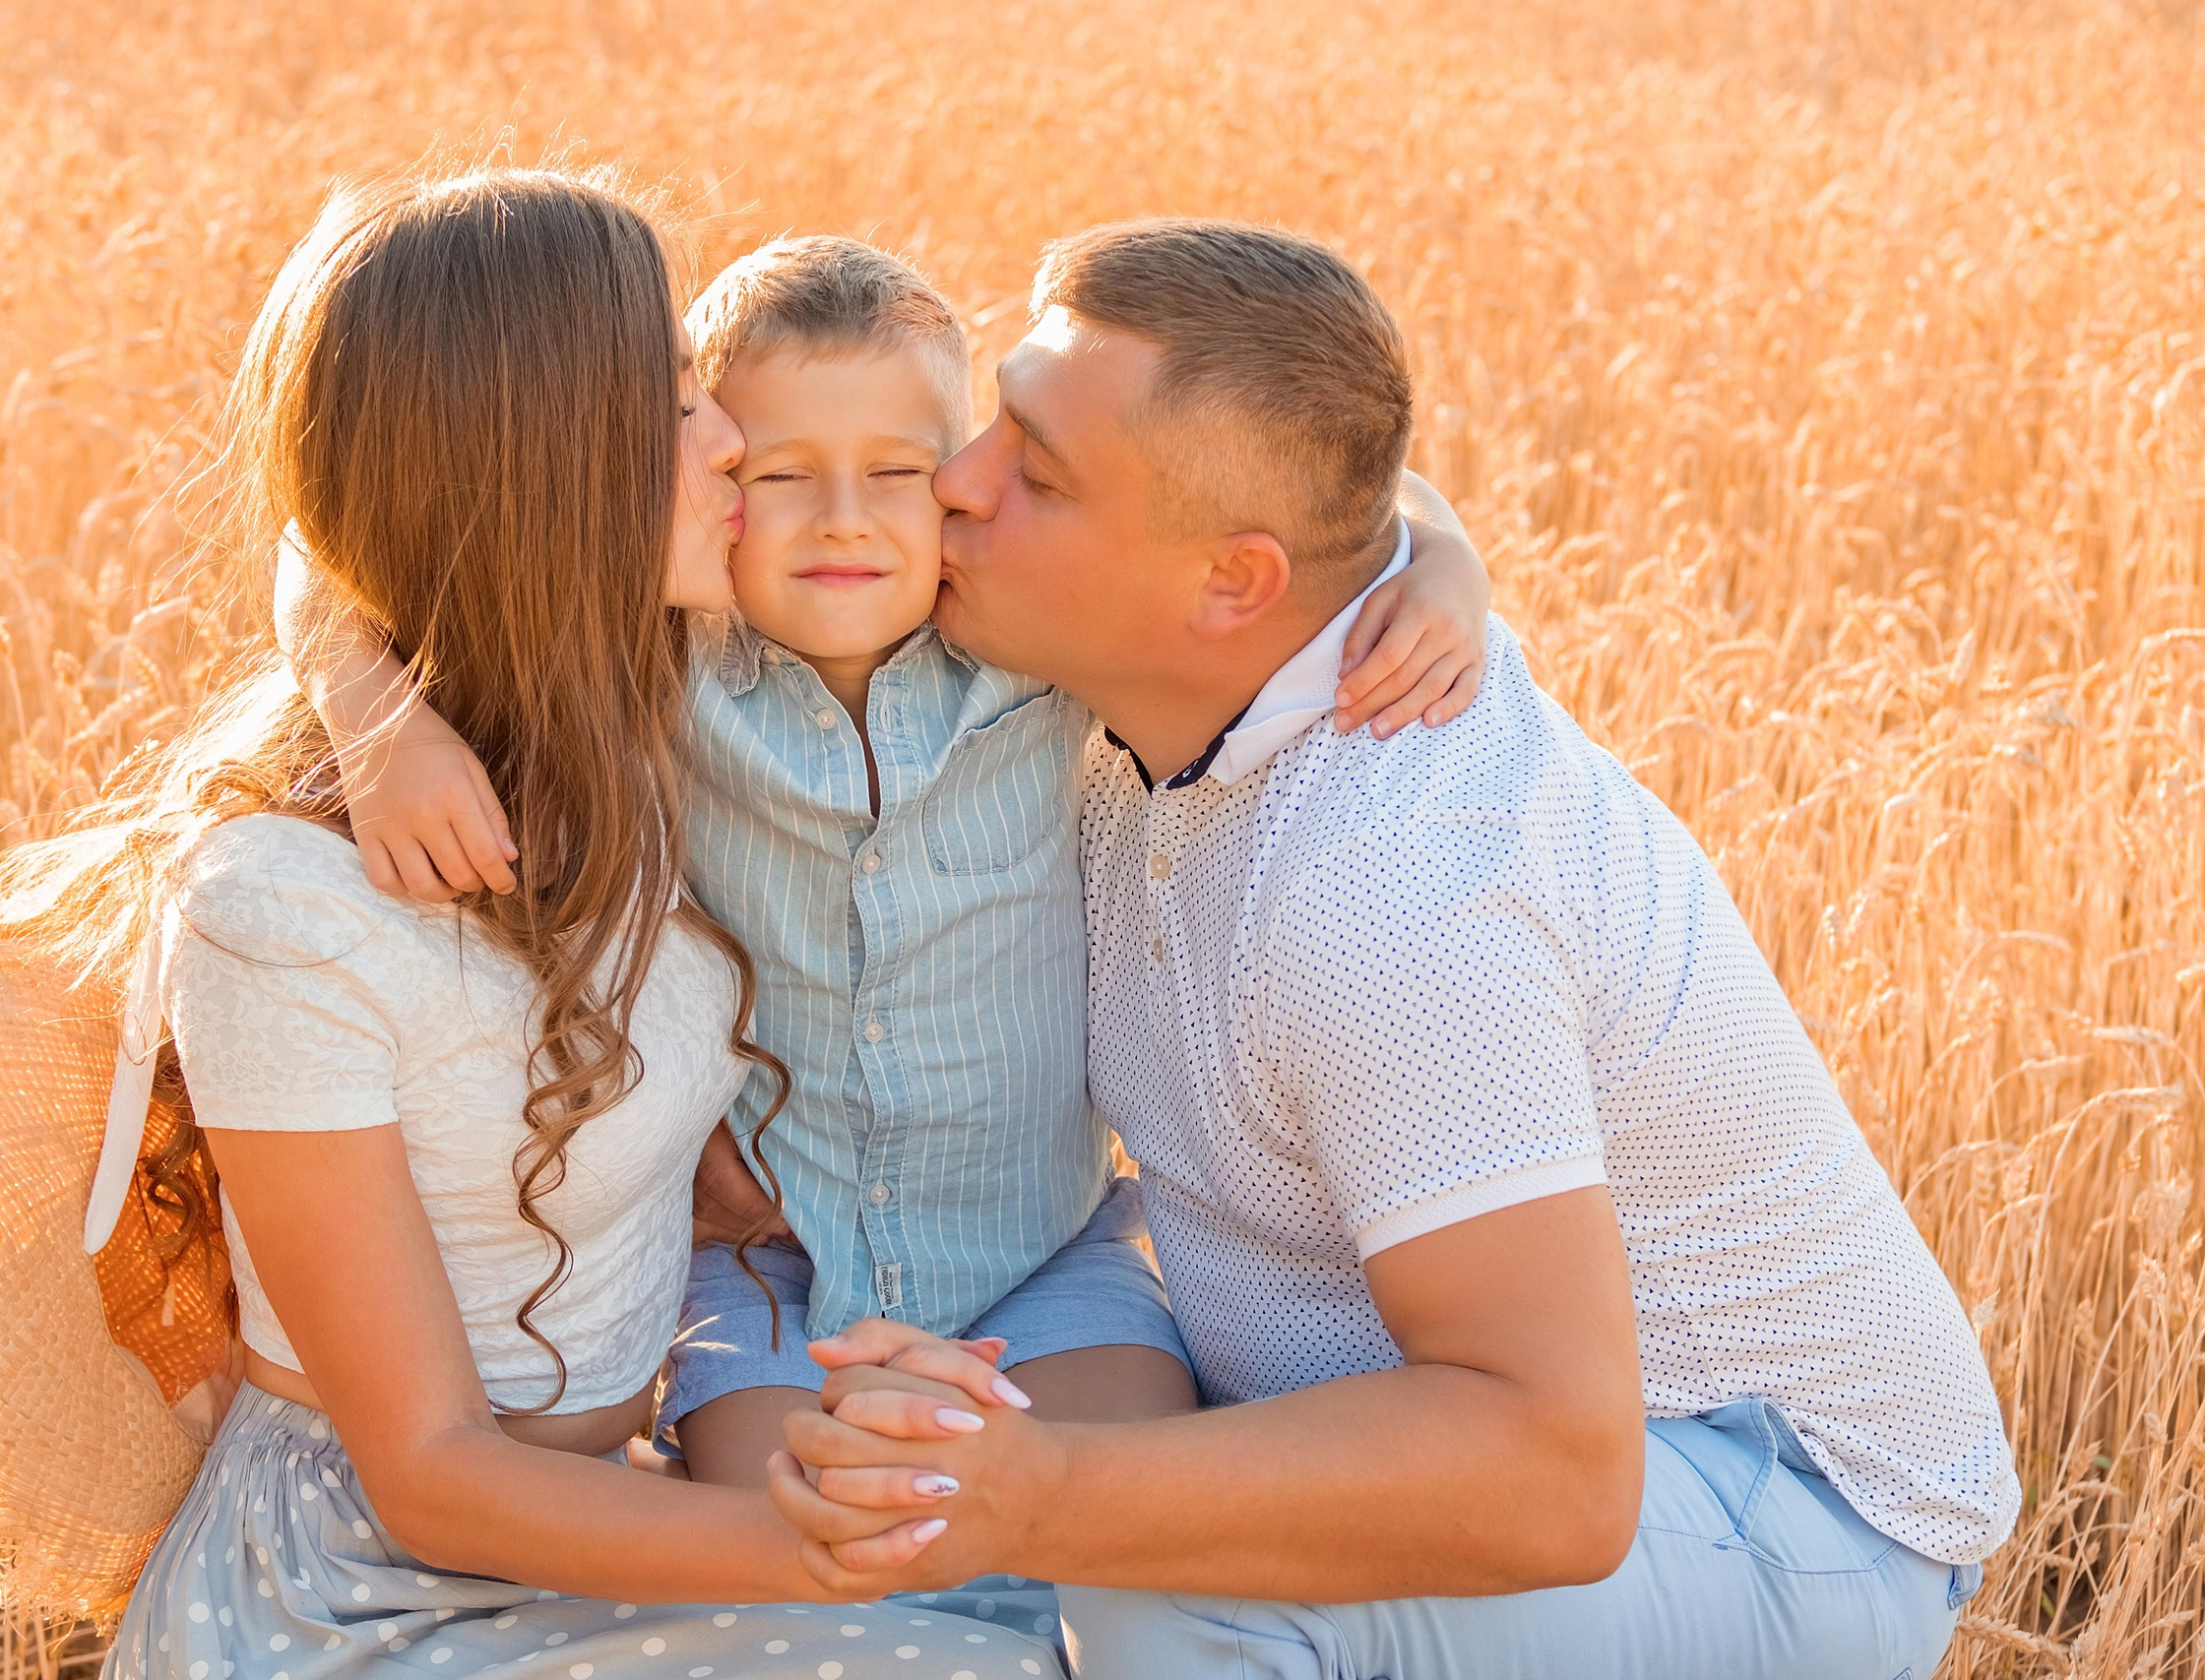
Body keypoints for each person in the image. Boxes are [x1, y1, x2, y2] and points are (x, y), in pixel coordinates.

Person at [766, 218, 2021, 1680]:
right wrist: (413, 735)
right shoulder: (1159, 664)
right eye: (994, 425)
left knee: (1167, 1597)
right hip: (1475, 1440)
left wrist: (1046, 1496)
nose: (956, 486)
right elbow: (684, 511)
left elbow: (1554, 1475)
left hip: (1771, 1498)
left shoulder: (1395, 887)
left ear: (1233, 586)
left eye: (1034, 474)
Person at [0, 166, 1063, 1680]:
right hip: (360, 1591)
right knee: (980, 1653)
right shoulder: (286, 907)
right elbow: (434, 1474)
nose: (734, 444)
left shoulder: (638, 727)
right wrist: (839, 1556)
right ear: (546, 465)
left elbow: (333, 538)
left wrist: (1421, 568)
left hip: (601, 1526)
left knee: (1095, 1622)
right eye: (673, 407)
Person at [275, 234, 1498, 1503]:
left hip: (1045, 1258)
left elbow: (1313, 483)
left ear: (966, 480)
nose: (843, 517)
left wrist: (1444, 560)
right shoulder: (666, 663)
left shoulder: (1035, 646)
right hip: (764, 1274)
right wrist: (373, 710)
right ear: (701, 478)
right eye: (780, 471)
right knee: (800, 1557)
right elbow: (331, 537)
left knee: (1109, 1546)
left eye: (897, 472)